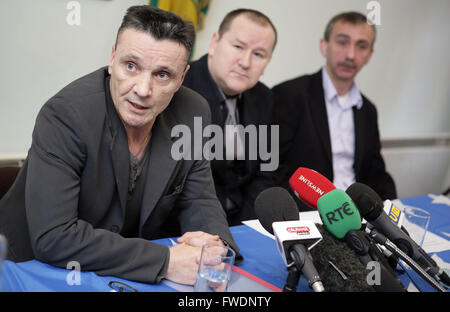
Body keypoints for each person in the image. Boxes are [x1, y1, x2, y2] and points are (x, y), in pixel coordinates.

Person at [0, 5, 241, 286]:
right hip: (29, 267)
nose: (142, 89)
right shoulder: (65, 115)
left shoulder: (193, 112)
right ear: (113, 58)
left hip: (119, 266)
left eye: (162, 74)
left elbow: (198, 199)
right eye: (131, 66)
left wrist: (215, 247)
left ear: (182, 78)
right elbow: (55, 237)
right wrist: (166, 261)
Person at [273, 11, 397, 211]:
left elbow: (376, 173)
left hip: (357, 214)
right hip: (309, 212)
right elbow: (272, 170)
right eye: (342, 42)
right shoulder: (288, 95)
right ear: (324, 46)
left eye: (361, 46)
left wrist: (393, 211)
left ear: (369, 55)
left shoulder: (367, 110)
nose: (350, 55)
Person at [183, 9, 277, 225]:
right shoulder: (180, 87)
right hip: (188, 226)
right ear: (214, 43)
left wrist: (248, 229)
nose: (245, 62)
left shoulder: (264, 97)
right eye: (238, 47)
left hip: (243, 222)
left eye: (258, 54)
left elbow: (265, 174)